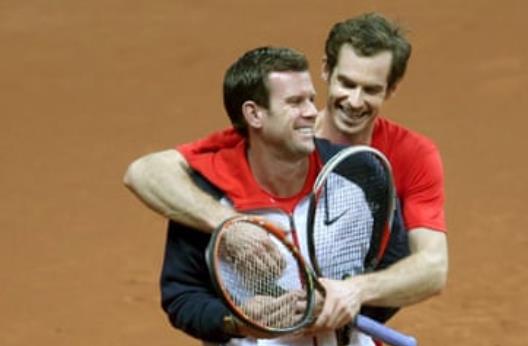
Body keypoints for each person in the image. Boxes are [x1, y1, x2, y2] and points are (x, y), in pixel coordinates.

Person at [157, 46, 409, 346]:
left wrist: (352, 300)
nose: (313, 111)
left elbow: (395, 265)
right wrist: (236, 321)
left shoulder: (352, 176)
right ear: (254, 114)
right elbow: (180, 296)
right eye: (295, 102)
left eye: (311, 98)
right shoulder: (208, 200)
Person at [124, 13, 449, 317]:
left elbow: (432, 267)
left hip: (351, 339)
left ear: (391, 89)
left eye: (371, 89)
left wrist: (354, 291)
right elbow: (144, 172)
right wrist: (231, 224)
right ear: (326, 71)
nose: (354, 100)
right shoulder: (275, 137)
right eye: (346, 83)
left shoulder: (412, 154)